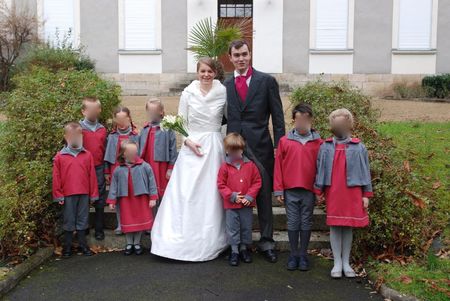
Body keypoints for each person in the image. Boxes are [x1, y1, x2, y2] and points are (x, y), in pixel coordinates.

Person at [151, 57, 228, 261]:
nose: (206, 75)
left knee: (210, 193)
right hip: (192, 145)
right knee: (186, 192)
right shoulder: (188, 93)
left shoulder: (223, 91)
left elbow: (228, 119)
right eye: (202, 71)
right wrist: (187, 141)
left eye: (210, 71)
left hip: (213, 145)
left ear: (215, 73)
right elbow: (181, 122)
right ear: (197, 72)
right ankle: (178, 240)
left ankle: (211, 239)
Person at [224, 40, 285, 263]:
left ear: (250, 55)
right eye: (236, 55)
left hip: (261, 147)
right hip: (234, 150)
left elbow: (278, 116)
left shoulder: (266, 81)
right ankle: (240, 244)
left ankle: (267, 242)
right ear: (230, 58)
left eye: (244, 54)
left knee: (264, 196)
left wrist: (281, 145)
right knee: (237, 195)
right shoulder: (226, 86)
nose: (241, 59)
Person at [314, 108, 373, 278]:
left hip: (352, 190)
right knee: (335, 226)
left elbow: (365, 170)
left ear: (348, 124)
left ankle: (346, 262)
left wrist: (365, 194)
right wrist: (319, 190)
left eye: (342, 123)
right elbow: (320, 169)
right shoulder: (325, 146)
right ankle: (336, 263)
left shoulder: (359, 146)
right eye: (335, 122)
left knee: (348, 226)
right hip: (334, 190)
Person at [273, 103, 323, 271]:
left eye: (306, 119)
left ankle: (303, 254)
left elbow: (321, 168)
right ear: (293, 120)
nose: (302, 122)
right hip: (290, 190)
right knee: (293, 222)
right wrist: (279, 189)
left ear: (311, 120)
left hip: (309, 190)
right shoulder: (284, 141)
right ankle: (293, 254)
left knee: (306, 222)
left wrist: (319, 189)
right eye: (299, 119)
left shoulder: (318, 142)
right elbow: (278, 166)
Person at [52, 122, 98, 258]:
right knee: (69, 220)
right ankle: (67, 247)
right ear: (66, 137)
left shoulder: (87, 155)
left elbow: (92, 176)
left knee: (83, 219)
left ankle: (83, 245)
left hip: (84, 193)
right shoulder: (60, 157)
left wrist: (93, 194)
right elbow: (56, 177)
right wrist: (58, 195)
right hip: (67, 195)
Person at [217, 133, 262, 266]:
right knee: (232, 228)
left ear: (242, 149)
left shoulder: (250, 165)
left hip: (246, 205)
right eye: (231, 151)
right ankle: (234, 251)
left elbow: (257, 182)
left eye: (237, 150)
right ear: (227, 150)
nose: (234, 154)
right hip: (231, 205)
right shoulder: (225, 167)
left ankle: (244, 249)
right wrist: (232, 196)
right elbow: (221, 184)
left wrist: (249, 196)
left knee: (246, 227)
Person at [107, 140, 158, 255]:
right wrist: (112, 200)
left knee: (139, 221)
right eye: (129, 151)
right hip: (125, 200)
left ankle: (137, 243)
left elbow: (152, 182)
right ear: (123, 153)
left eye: (134, 151)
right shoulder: (118, 169)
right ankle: (129, 243)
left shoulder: (145, 166)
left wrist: (153, 197)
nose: (132, 154)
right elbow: (114, 186)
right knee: (127, 221)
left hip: (140, 199)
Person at [104, 106, 139, 235]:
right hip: (116, 170)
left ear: (129, 118)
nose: (122, 122)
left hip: (133, 170)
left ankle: (135, 223)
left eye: (124, 119)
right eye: (119, 120)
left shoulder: (135, 135)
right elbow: (107, 156)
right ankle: (120, 224)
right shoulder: (112, 136)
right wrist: (107, 171)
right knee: (119, 198)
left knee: (133, 197)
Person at [79, 96, 108, 241]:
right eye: (89, 109)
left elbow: (106, 150)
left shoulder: (103, 129)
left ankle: (99, 228)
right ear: (83, 111)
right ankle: (83, 227)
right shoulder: (78, 129)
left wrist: (106, 169)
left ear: (99, 110)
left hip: (98, 167)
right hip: (82, 169)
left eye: (95, 109)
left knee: (100, 198)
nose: (92, 112)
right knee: (83, 197)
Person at [138, 98, 177, 200]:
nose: (151, 114)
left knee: (162, 191)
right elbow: (139, 147)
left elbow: (173, 149)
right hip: (147, 163)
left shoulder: (167, 129)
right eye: (149, 111)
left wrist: (170, 168)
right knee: (149, 188)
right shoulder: (145, 129)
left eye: (154, 111)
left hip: (161, 166)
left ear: (160, 112)